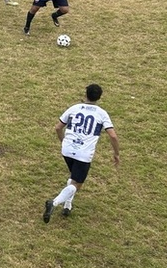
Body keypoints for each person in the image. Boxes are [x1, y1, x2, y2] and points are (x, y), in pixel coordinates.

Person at [43, 84, 120, 223]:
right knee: (77, 184)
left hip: (67, 150)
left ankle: (68, 205)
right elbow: (113, 136)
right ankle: (54, 203)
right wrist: (116, 154)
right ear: (100, 97)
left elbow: (58, 127)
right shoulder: (101, 113)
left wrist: (63, 141)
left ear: (86, 94)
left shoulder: (74, 108)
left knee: (73, 177)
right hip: (83, 154)